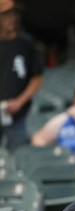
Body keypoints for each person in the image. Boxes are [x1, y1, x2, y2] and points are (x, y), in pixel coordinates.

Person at [0, 0, 44, 152]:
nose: (12, 18)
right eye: (6, 14)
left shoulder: (25, 42)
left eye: (14, 13)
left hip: (16, 114)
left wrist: (19, 101)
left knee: (19, 156)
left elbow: (37, 77)